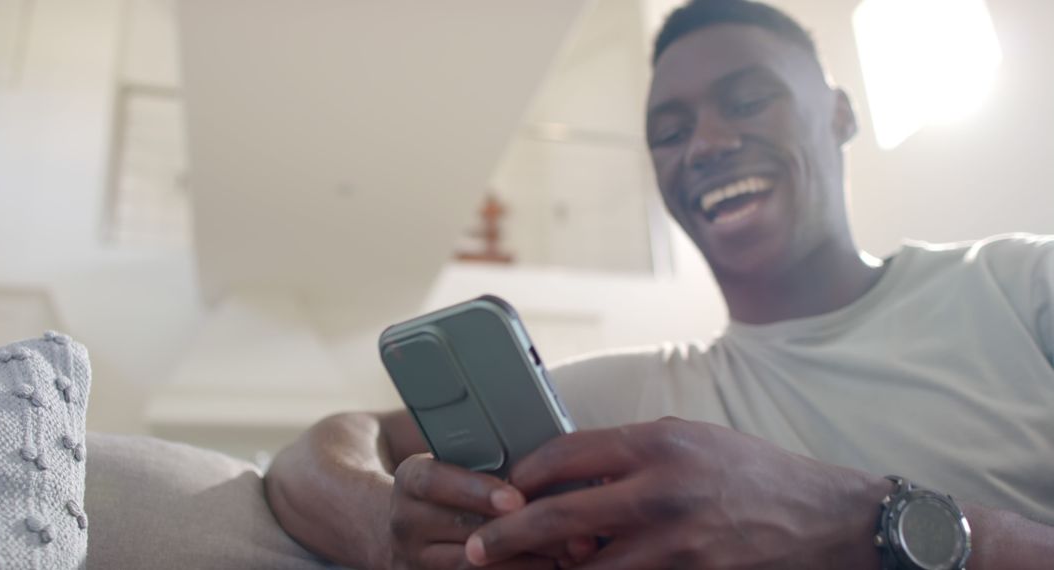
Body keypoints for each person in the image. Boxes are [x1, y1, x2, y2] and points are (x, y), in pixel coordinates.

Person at [265, 1, 1054, 568]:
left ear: (840, 114)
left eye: (747, 101)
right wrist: (380, 527)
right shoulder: (644, 398)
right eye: (670, 134)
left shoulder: (1023, 285)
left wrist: (865, 522)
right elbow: (318, 450)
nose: (706, 143)